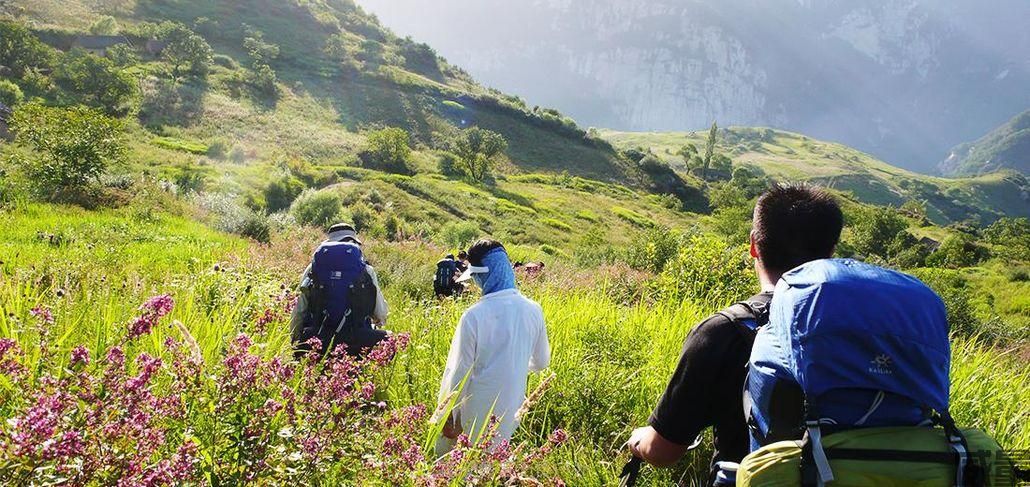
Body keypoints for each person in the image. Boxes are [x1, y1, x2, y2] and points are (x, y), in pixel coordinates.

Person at [625, 183, 844, 485]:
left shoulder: (722, 333)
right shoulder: (870, 331)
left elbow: (663, 451)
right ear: (831, 252)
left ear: (754, 244)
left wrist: (638, 441)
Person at [435, 238, 551, 452]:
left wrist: (448, 415)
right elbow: (542, 362)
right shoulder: (534, 310)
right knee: (494, 463)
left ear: (482, 275)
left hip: (476, 409)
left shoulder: (475, 316)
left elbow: (459, 373)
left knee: (463, 466)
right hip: (512, 407)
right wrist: (513, 364)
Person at [289, 223, 389, 356]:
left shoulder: (313, 269)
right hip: (356, 343)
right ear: (353, 242)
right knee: (389, 339)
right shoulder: (366, 270)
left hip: (317, 341)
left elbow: (299, 310)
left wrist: (295, 339)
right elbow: (381, 314)